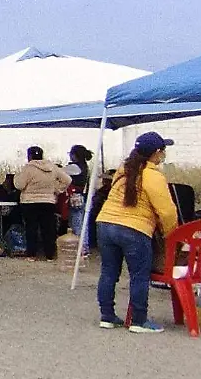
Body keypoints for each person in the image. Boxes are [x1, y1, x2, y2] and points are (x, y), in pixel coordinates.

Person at [93, 131, 180, 333]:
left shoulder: (124, 169)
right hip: (134, 228)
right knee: (139, 275)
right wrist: (170, 235)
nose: (164, 155)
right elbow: (166, 211)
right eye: (163, 151)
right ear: (157, 153)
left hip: (105, 224)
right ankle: (139, 320)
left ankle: (107, 316)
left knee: (108, 272)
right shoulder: (153, 176)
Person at [14, 145, 72, 262]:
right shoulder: (52, 167)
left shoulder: (28, 168)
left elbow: (19, 185)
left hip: (30, 202)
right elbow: (67, 180)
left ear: (29, 156)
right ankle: (50, 255)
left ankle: (31, 255)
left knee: (31, 228)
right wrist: (57, 190)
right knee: (49, 229)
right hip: (48, 201)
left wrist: (16, 177)